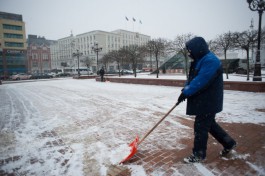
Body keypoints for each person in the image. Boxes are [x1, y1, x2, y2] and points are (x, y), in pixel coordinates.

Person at [177, 36, 236, 163]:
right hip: (206, 100)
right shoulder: (200, 59)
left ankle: (199, 154)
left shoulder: (210, 61)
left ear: (197, 49)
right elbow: (192, 78)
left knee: (200, 127)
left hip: (208, 101)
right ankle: (229, 143)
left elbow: (201, 80)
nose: (189, 53)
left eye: (190, 50)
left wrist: (187, 92)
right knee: (209, 125)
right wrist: (185, 90)